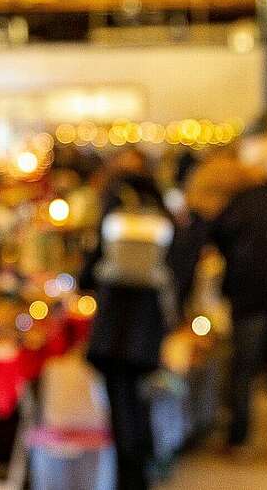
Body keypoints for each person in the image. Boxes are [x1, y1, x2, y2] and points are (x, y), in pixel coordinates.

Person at [182, 132, 267, 461]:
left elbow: (196, 248)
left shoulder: (227, 206)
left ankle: (240, 439)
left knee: (245, 366)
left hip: (251, 291)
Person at [79, 153, 175, 490]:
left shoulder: (114, 203)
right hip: (148, 319)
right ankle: (144, 465)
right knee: (141, 394)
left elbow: (91, 266)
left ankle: (128, 474)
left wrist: (86, 279)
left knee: (119, 400)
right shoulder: (162, 206)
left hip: (115, 319)